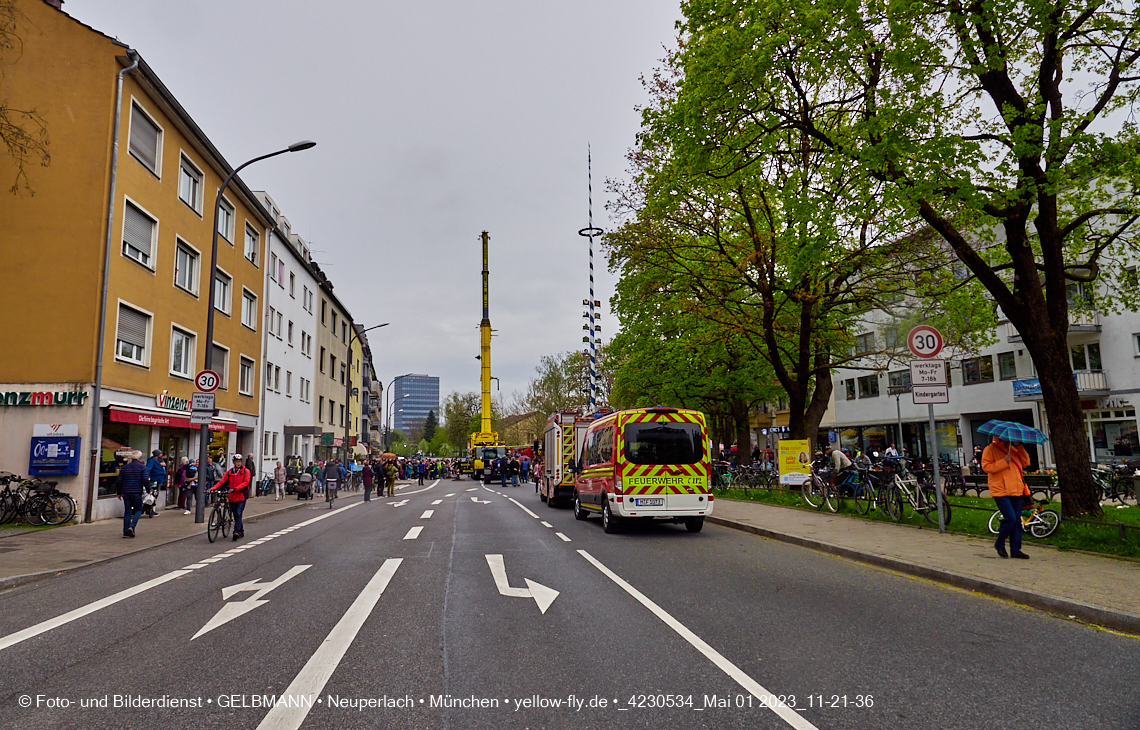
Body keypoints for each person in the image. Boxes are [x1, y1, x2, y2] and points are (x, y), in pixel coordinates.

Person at [982, 436, 1031, 559]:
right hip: (1001, 489)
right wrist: (1004, 461)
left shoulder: (1013, 449)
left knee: (1017, 520)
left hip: (1016, 489)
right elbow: (986, 467)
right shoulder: (990, 449)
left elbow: (1026, 462)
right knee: (1010, 518)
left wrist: (1019, 446)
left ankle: (1015, 549)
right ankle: (1000, 543)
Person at [209, 454, 251, 540]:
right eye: (236, 462)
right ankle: (241, 531)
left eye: (239, 462)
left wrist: (235, 489)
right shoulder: (230, 472)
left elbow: (246, 482)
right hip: (232, 497)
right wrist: (212, 489)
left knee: (238, 513)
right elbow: (221, 482)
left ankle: (236, 531)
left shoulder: (246, 471)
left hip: (241, 496)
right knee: (235, 514)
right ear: (233, 462)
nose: (238, 463)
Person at [116, 450, 146, 537]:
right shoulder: (142, 467)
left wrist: (119, 492)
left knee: (127, 511)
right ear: (139, 457)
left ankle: (125, 531)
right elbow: (145, 479)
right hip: (137, 491)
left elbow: (119, 481)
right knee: (138, 510)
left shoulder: (125, 468)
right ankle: (132, 526)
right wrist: (149, 490)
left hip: (126, 492)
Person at [144, 449, 166, 517]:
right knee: (153, 494)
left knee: (155, 494)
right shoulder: (151, 461)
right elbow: (148, 469)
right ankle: (149, 509)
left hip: (159, 479)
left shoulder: (159, 460)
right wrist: (148, 477)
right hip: (154, 480)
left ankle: (150, 509)